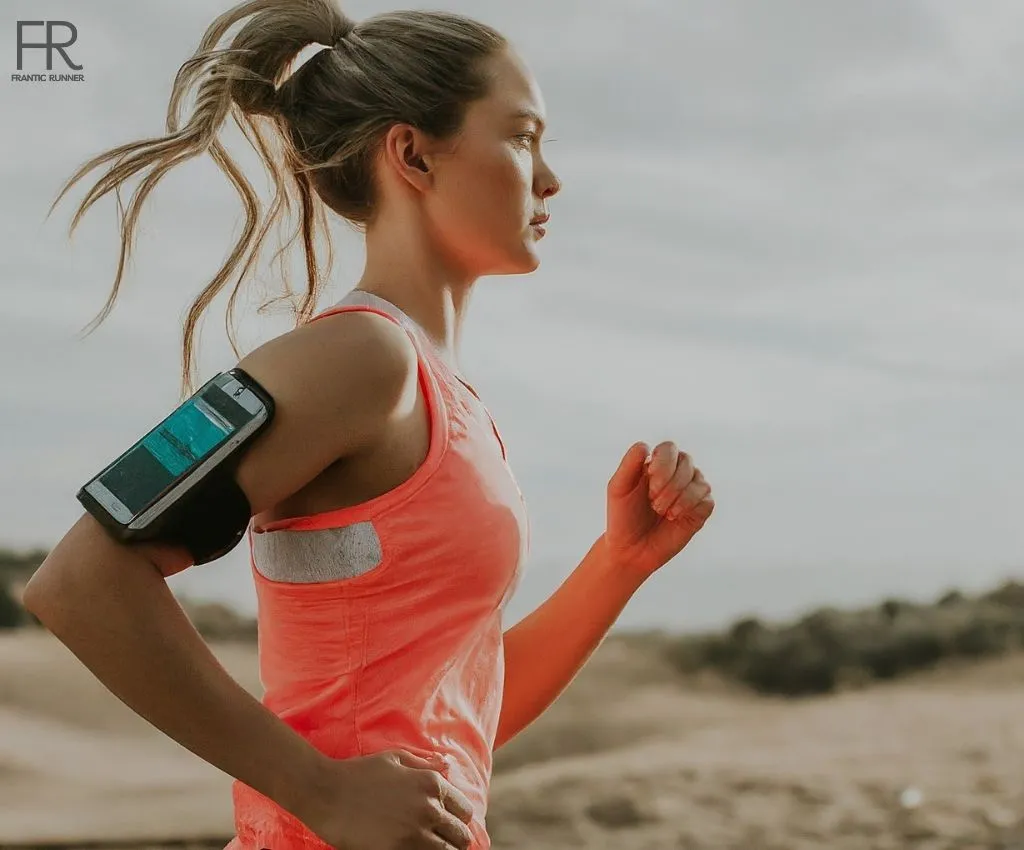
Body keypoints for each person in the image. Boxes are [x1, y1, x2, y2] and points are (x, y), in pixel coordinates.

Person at [23, 2, 715, 849]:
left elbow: (458, 716)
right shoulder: (359, 359)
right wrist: (315, 789)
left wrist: (621, 563)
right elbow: (80, 582)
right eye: (523, 136)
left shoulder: (443, 394)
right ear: (413, 153)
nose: (550, 178)